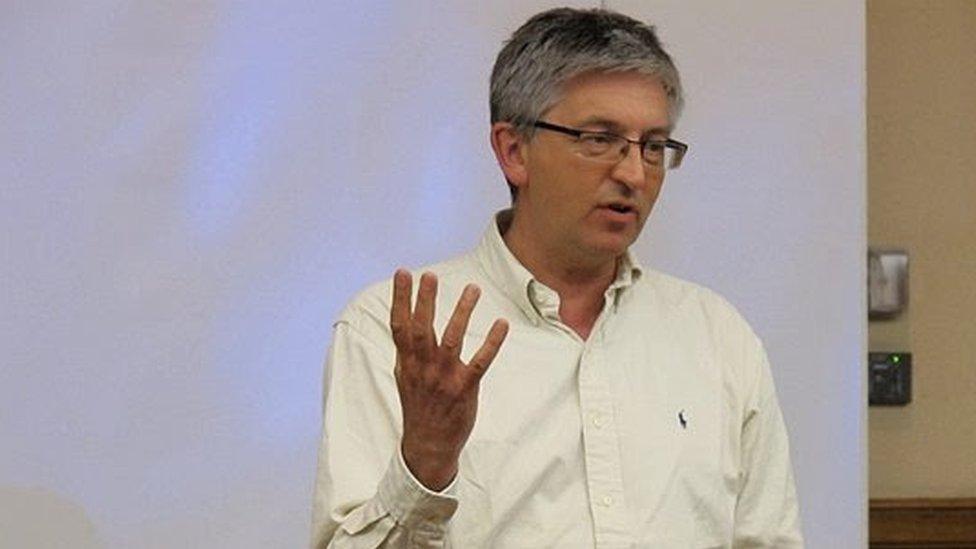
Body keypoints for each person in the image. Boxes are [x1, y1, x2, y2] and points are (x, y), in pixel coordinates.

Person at [312, 7, 803, 548]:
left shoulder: (717, 336)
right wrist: (424, 464)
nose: (634, 173)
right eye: (599, 139)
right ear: (513, 151)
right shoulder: (394, 331)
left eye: (654, 147)